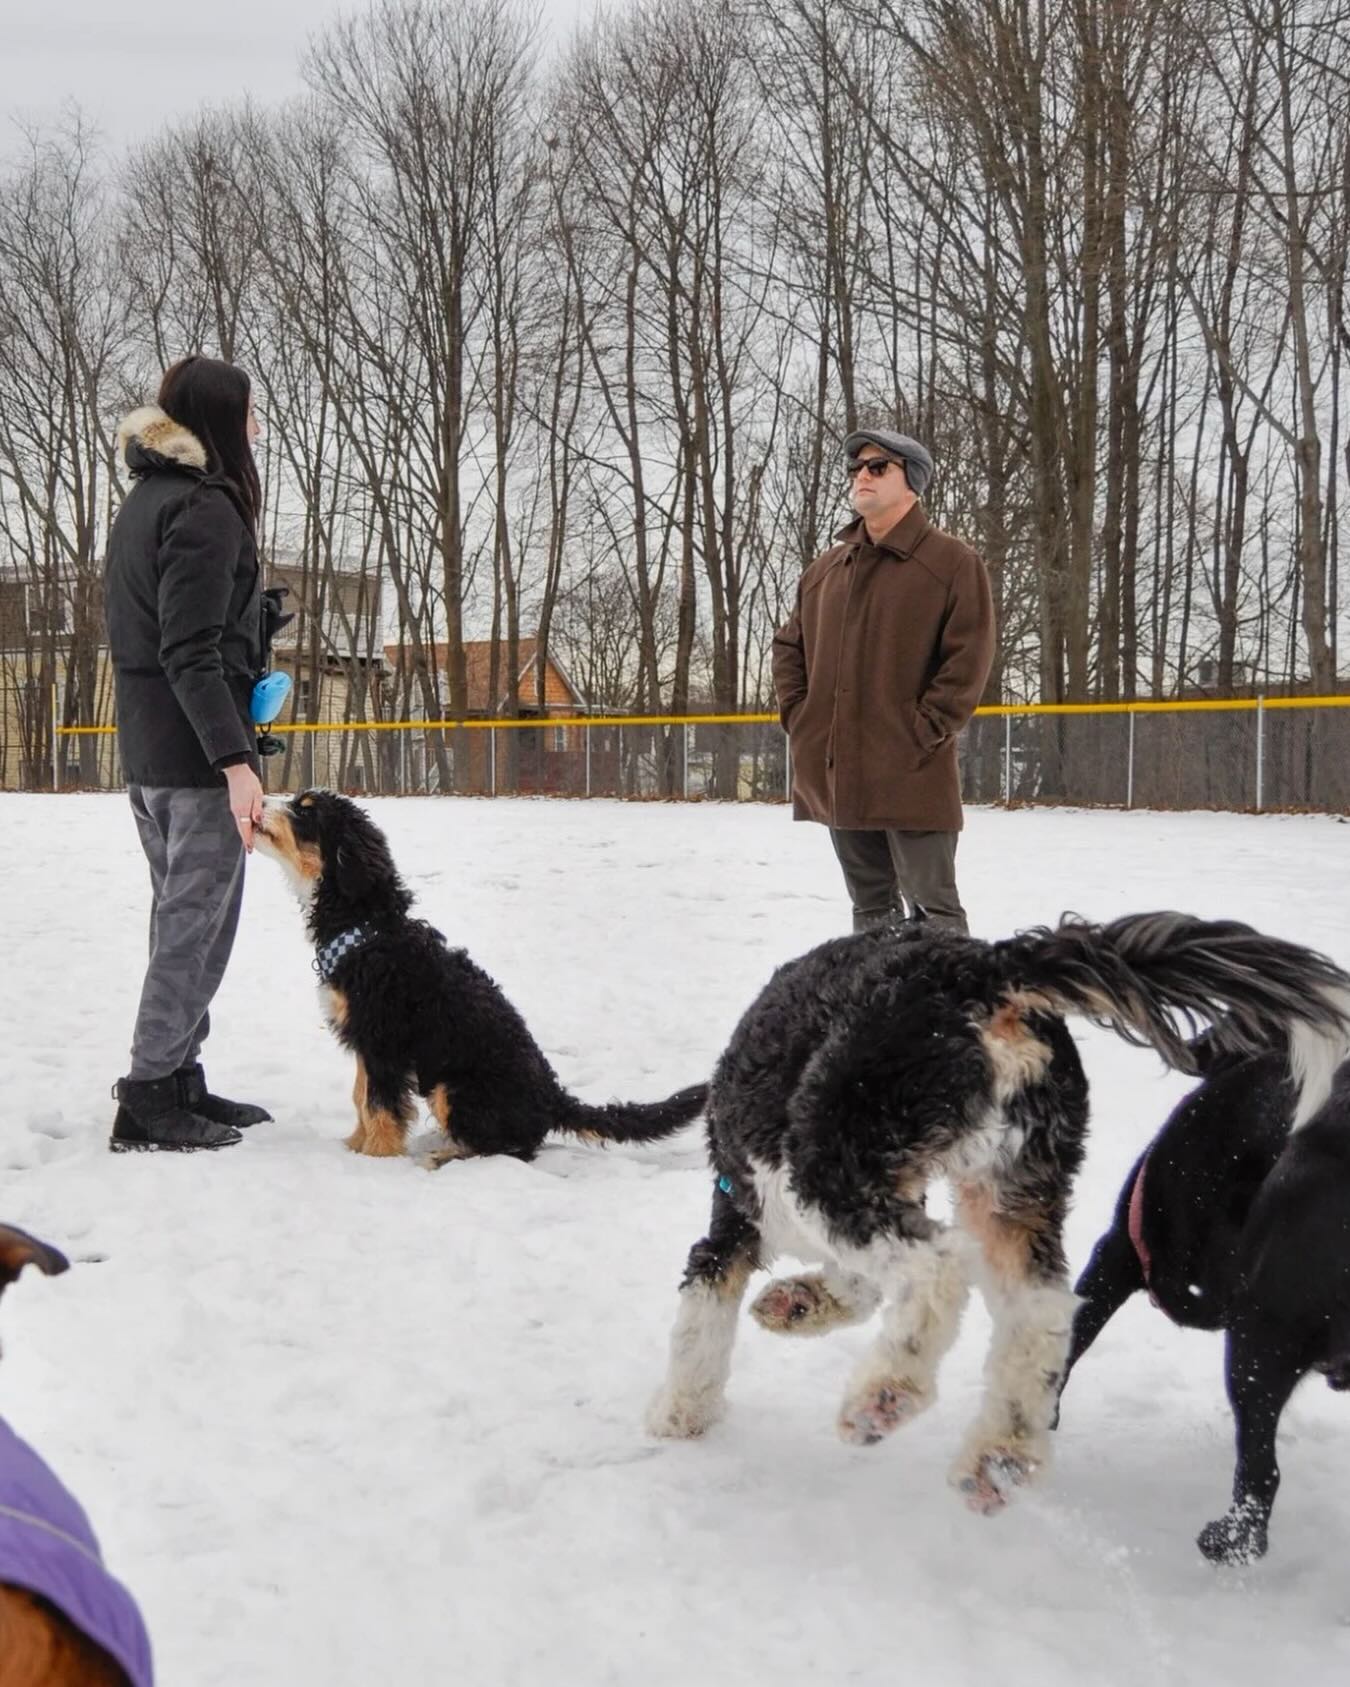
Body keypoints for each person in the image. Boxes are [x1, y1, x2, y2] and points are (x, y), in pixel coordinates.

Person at [103, 355, 278, 1151]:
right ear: (217, 419)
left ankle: (177, 1077)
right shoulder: (206, 509)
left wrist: (257, 619)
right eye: (247, 415)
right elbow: (189, 650)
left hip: (150, 753)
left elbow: (169, 631)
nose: (255, 430)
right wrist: (235, 761)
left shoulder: (146, 500)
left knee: (184, 921)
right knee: (194, 929)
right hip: (196, 760)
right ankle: (146, 1093)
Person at [772, 427, 995, 935]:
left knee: (933, 910)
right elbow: (789, 646)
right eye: (855, 468)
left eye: (877, 467)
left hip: (911, 771)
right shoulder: (827, 569)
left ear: (911, 481)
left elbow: (968, 657)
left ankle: (949, 1011)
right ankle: (881, 1009)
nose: (861, 476)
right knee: (871, 911)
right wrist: (801, 718)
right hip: (839, 771)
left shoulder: (952, 563)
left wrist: (922, 729)